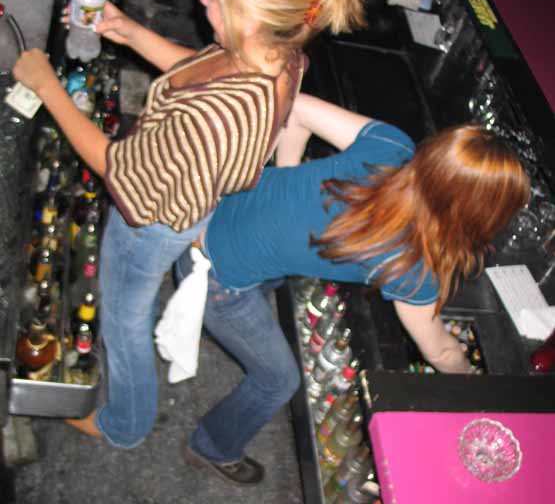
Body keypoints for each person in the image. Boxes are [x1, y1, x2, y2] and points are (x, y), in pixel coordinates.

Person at [12, 0, 367, 449]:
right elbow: (202, 69)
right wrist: (129, 31)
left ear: (250, 19)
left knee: (123, 318)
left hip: (150, 221)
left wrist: (47, 87)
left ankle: (125, 425)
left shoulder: (213, 117)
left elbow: (114, 165)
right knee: (133, 300)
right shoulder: (282, 56)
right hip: (194, 195)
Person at [174, 92, 530, 485]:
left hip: (207, 205)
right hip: (213, 276)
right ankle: (212, 446)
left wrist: (284, 185)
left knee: (275, 273)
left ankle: (214, 325)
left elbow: (295, 106)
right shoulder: (412, 265)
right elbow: (440, 351)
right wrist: (472, 381)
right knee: (279, 381)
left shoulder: (392, 145)